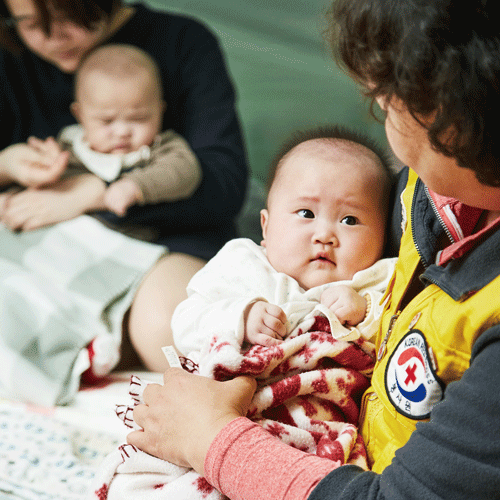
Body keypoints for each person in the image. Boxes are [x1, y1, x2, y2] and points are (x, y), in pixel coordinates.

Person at [127, 0, 500, 499]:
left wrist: (210, 437)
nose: (326, 233)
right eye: (305, 214)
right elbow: (197, 320)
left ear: (455, 119)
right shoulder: (429, 191)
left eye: (386, 98)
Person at [0, 0, 248, 373]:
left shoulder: (182, 42)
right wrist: (6, 165)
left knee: (167, 330)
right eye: (30, 23)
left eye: (69, 16)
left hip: (166, 239)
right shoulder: (10, 57)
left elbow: (224, 184)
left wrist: (95, 194)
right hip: (55, 245)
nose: (54, 37)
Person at [172, 125, 396, 362]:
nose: (324, 235)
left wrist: (366, 310)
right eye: (307, 213)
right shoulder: (242, 264)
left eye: (349, 220)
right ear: (266, 227)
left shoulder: (379, 281)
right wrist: (242, 318)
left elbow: (405, 334)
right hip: (242, 393)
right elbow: (185, 324)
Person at [55, 43, 202, 218]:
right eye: (107, 121)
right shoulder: (69, 146)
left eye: (138, 119)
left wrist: (136, 186)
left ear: (160, 112)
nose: (122, 132)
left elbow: (185, 172)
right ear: (80, 115)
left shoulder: (161, 148)